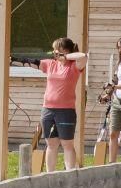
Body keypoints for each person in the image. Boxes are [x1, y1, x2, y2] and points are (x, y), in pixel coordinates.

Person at [15, 38, 87, 170]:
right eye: (54, 50)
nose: (55, 52)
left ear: (66, 51)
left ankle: (70, 174)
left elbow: (83, 56)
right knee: (51, 145)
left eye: (58, 50)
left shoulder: (74, 66)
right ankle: (50, 175)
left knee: (67, 145)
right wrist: (13, 59)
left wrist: (66, 57)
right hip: (48, 110)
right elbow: (32, 63)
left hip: (66, 111)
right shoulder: (51, 64)